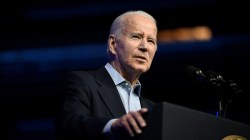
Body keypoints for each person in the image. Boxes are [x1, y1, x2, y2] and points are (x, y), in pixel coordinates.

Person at [55, 10, 158, 140]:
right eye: (136, 36)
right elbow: (69, 126)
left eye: (151, 41)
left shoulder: (152, 108)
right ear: (113, 44)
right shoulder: (82, 82)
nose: (145, 47)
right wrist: (113, 125)